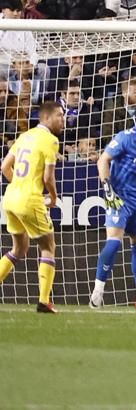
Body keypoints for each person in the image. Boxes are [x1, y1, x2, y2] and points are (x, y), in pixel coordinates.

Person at [90, 101, 136, 309]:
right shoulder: (126, 137)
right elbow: (102, 160)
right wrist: (107, 189)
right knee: (114, 242)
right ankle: (97, 293)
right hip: (119, 197)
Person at [0, 99, 65, 313]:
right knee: (48, 247)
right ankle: (44, 301)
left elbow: (4, 167)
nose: (63, 119)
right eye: (59, 115)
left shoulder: (24, 136)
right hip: (30, 200)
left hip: (10, 198)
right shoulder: (50, 140)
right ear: (46, 117)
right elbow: (48, 177)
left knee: (19, 248)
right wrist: (53, 197)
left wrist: (19, 185)